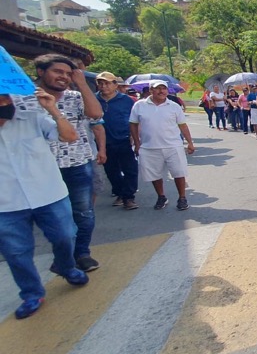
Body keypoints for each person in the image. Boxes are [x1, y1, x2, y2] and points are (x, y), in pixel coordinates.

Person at [1, 89, 89, 320]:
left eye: (6, 97)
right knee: (16, 252)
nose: (5, 102)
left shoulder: (32, 116)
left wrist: (52, 109)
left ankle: (66, 266)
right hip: (6, 203)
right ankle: (31, 293)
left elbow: (70, 136)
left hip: (48, 193)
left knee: (65, 236)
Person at [17, 54, 104, 273]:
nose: (63, 77)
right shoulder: (22, 98)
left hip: (77, 164)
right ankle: (64, 257)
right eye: (58, 72)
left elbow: (95, 114)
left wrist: (82, 83)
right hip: (40, 168)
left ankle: (82, 253)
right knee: (56, 219)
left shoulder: (76, 96)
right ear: (40, 72)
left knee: (83, 213)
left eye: (67, 73)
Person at [130, 80, 196, 211]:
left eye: (164, 88)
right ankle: (161, 197)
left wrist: (190, 142)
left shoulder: (174, 106)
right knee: (154, 175)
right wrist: (137, 143)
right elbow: (133, 124)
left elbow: (182, 125)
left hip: (173, 145)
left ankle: (182, 198)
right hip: (149, 147)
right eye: (158, 88)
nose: (161, 91)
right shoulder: (139, 105)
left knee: (179, 172)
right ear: (151, 90)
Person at [96, 72, 139, 210]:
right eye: (101, 83)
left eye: (107, 83)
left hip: (123, 139)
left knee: (130, 169)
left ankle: (128, 197)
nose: (104, 86)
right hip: (103, 143)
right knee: (111, 171)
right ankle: (121, 193)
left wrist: (135, 137)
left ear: (115, 85)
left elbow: (134, 120)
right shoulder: (94, 99)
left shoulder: (126, 100)